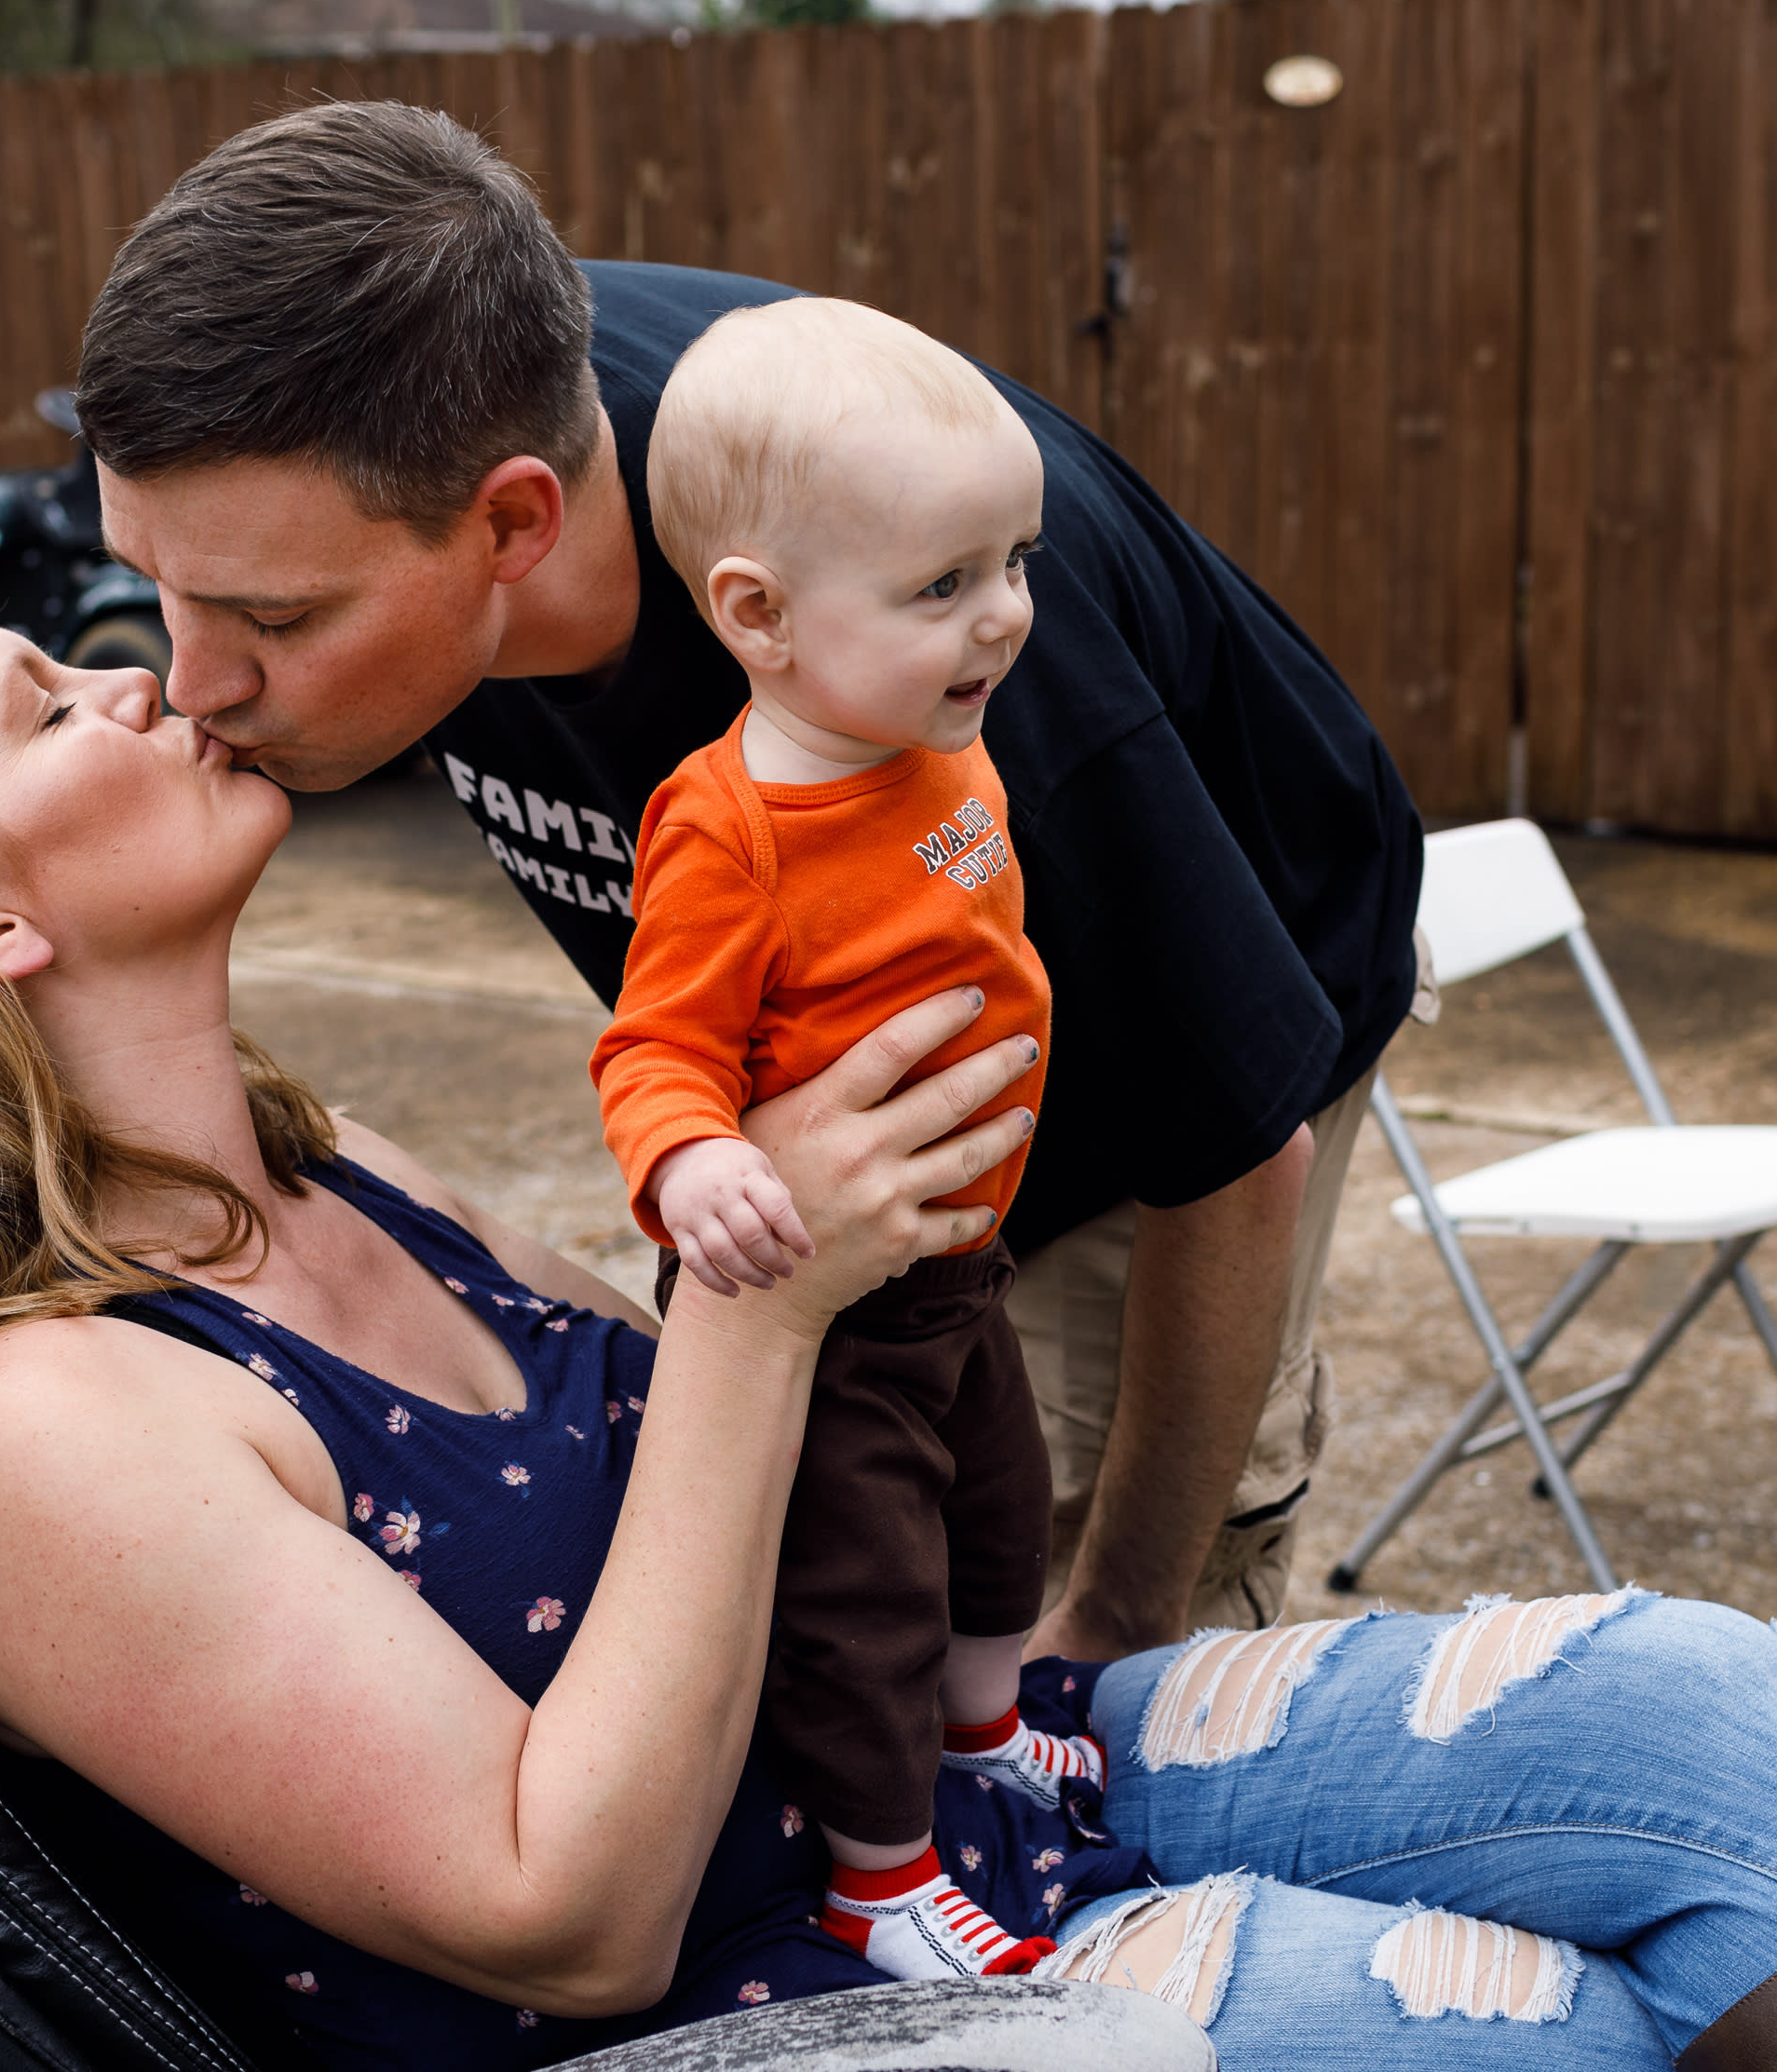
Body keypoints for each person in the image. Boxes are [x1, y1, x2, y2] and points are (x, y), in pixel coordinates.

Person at [0, 603, 1777, 2072]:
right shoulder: (42, 1429)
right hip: (783, 2065)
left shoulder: (318, 1164)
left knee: (1690, 1691)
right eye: (49, 702)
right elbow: (564, 1915)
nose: (140, 668)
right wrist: (761, 1304)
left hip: (931, 1810)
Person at [69, 100, 1434, 1664]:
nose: (191, 683)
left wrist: (1118, 1615)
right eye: (151, 584)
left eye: (274, 619)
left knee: (1020, 1582)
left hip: (1181, 1045)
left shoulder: (925, 642)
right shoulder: (401, 404)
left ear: (515, 521)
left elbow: (1234, 1141)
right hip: (882, 1023)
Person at [595, 296, 1089, 1981]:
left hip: (961, 1256)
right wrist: (694, 1162)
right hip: (836, 1296)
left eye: (1014, 561)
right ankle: (881, 1878)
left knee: (1002, 1521)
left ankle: (985, 1740)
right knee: (861, 1585)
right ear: (761, 615)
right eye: (945, 586)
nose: (1006, 617)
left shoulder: (935, 741)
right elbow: (655, 1045)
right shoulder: (729, 830)